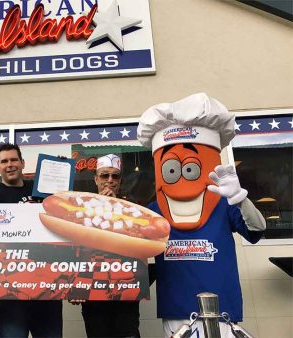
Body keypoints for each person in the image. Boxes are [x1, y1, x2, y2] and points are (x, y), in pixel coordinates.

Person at [137, 93, 266, 338]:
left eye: (190, 168)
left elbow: (257, 231)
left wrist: (240, 198)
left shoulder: (225, 203)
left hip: (224, 311)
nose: (183, 176)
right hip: (177, 311)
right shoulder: (153, 211)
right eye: (172, 169)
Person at [0, 143, 63, 338]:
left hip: (46, 289)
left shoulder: (42, 191)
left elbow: (61, 214)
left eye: (14, 159)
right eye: (4, 161)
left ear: (23, 163)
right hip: (8, 291)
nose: (10, 165)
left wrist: (60, 172)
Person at [79, 154, 141, 338]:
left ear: (120, 180)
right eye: (105, 175)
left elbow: (139, 245)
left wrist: (116, 207)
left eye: (115, 176)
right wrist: (75, 286)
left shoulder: (133, 210)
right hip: (94, 296)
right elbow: (75, 249)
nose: (110, 180)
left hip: (125, 295)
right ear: (96, 179)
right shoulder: (82, 209)